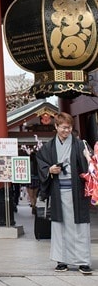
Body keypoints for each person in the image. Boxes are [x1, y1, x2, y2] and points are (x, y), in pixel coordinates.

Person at [36, 111, 92, 275]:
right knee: (60, 226)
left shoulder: (79, 144)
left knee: (80, 226)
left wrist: (89, 159)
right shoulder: (49, 147)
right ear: (56, 127)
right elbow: (41, 163)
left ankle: (83, 261)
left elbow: (89, 166)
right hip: (58, 191)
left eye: (69, 128)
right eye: (63, 128)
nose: (66, 131)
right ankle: (62, 260)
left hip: (77, 192)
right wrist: (50, 170)